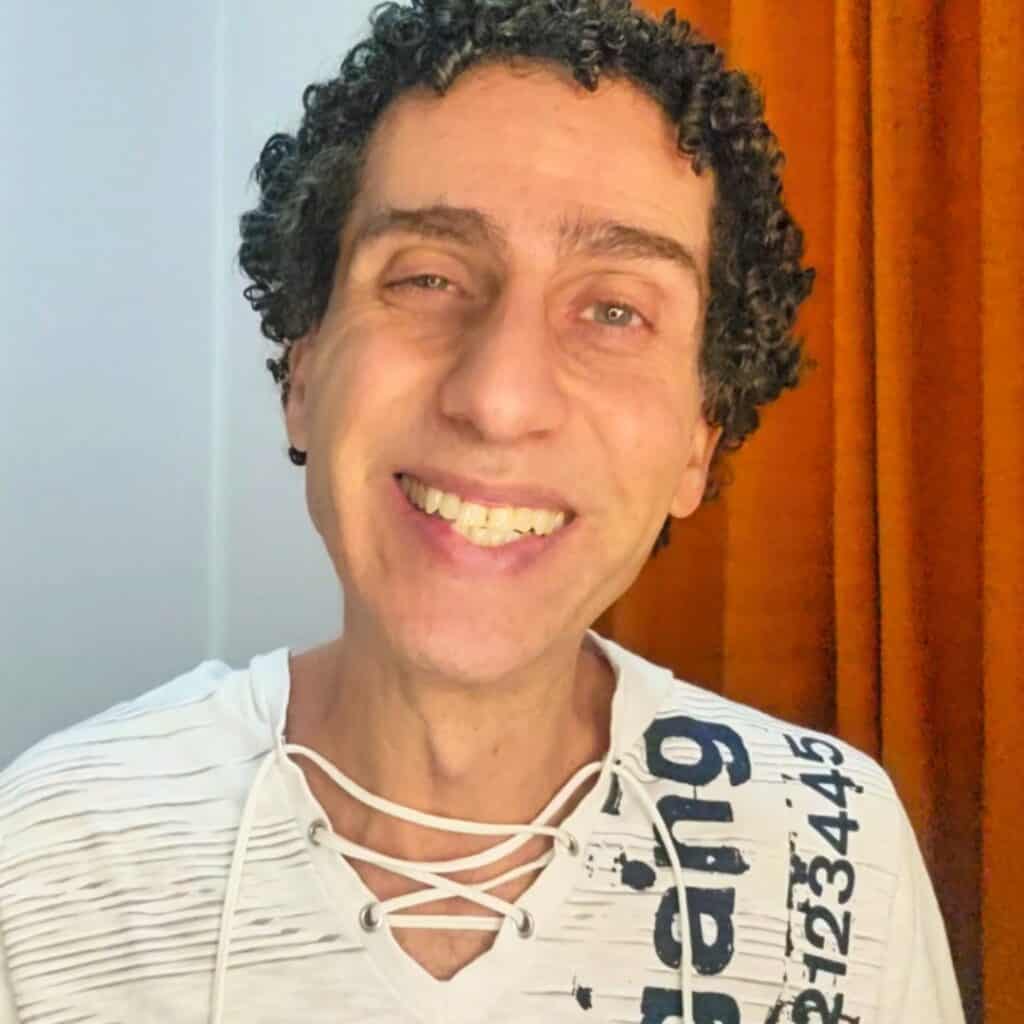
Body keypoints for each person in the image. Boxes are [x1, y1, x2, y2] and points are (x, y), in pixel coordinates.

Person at [0, 2, 966, 1022]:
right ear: (303, 370)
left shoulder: (835, 848)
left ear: (699, 438)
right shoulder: (51, 855)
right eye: (427, 277)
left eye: (614, 310)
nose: (499, 399)